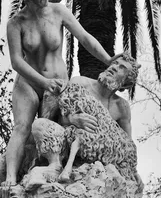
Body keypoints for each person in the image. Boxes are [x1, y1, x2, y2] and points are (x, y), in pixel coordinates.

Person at [4, 0, 118, 187]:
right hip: (29, 83)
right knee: (21, 127)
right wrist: (43, 82)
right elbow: (17, 61)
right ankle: (10, 179)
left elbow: (85, 38)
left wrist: (108, 60)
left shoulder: (58, 11)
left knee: (62, 128)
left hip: (58, 85)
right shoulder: (16, 23)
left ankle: (58, 174)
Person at [56, 53, 141, 182]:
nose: (114, 67)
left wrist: (133, 171)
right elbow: (55, 117)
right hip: (67, 147)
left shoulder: (121, 107)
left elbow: (126, 145)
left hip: (100, 164)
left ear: (125, 84)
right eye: (114, 63)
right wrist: (72, 119)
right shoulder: (80, 83)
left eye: (121, 67)